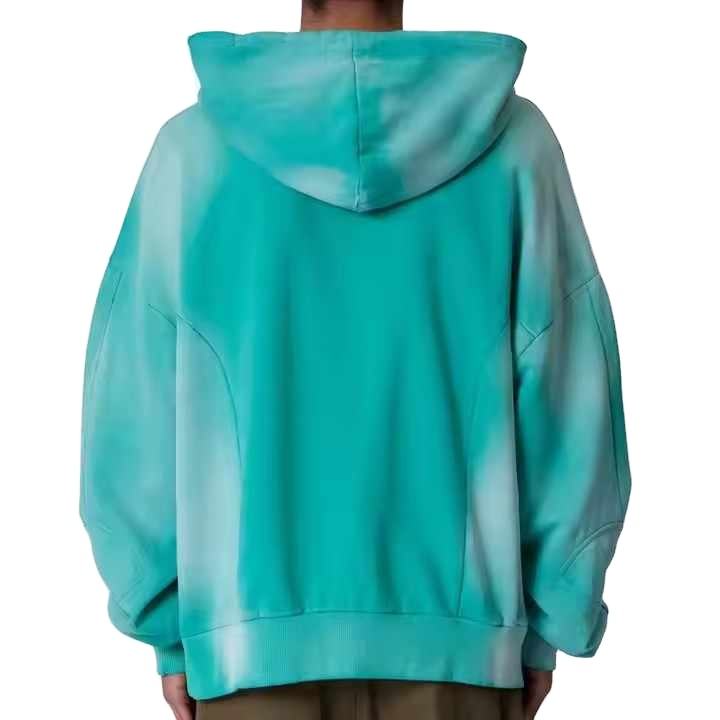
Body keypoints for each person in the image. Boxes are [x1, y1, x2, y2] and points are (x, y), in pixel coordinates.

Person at [80, 1, 631, 718]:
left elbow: (130, 420)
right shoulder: (515, 150)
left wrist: (169, 626)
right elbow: (570, 401)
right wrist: (554, 615)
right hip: (458, 658)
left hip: (249, 659)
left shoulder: (192, 157)